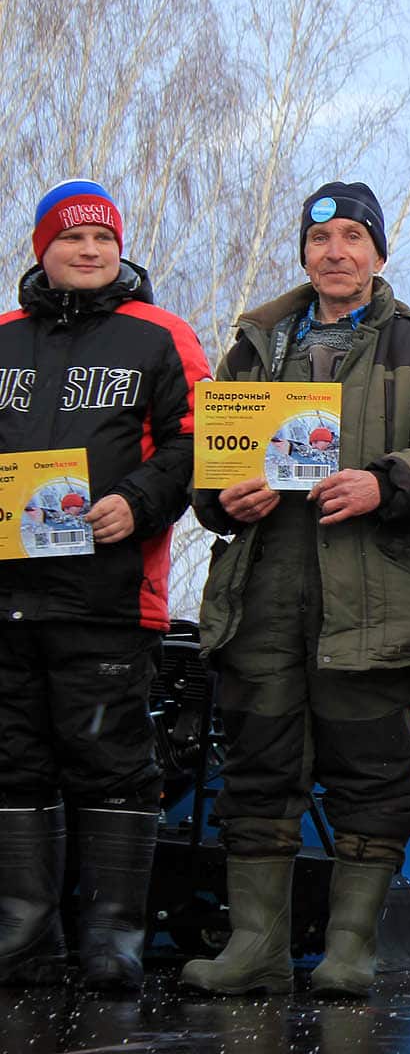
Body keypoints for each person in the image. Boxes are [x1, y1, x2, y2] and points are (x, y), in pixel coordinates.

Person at [181, 181, 410, 999]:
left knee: (372, 777)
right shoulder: (256, 342)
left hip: (373, 596)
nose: (337, 252)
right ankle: (256, 949)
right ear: (304, 252)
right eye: (322, 240)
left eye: (354, 237)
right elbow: (213, 465)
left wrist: (385, 483)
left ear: (379, 253)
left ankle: (351, 951)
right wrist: (222, 498)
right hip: (262, 588)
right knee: (257, 771)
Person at [0, 180, 209, 991]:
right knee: (14, 763)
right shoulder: (4, 338)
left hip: (111, 600)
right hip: (10, 600)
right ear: (41, 249)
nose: (88, 252)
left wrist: (138, 500)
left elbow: (201, 444)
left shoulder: (160, 336)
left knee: (113, 764)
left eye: (102, 240)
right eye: (70, 239)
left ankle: (112, 941)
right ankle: (24, 941)